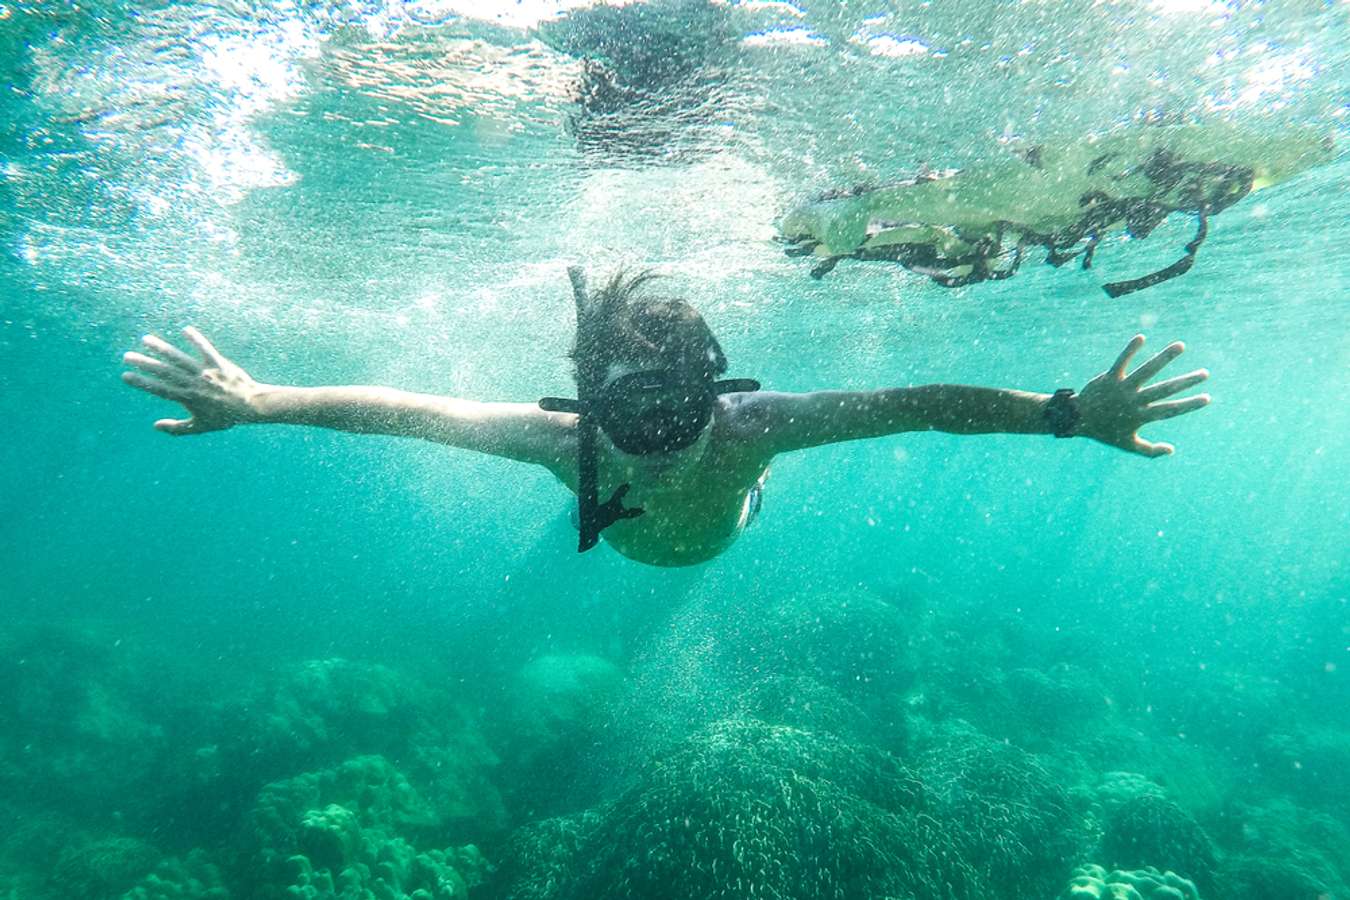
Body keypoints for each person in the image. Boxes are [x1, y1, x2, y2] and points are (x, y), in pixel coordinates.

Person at [122, 269, 1210, 568]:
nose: (660, 427)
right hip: (634, 537)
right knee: (598, 505)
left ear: (720, 391)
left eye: (681, 402)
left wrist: (1065, 412)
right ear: (588, 401)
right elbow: (403, 413)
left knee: (742, 480)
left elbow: (921, 405)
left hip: (734, 515)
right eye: (630, 406)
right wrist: (261, 400)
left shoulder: (753, 428)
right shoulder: (563, 442)